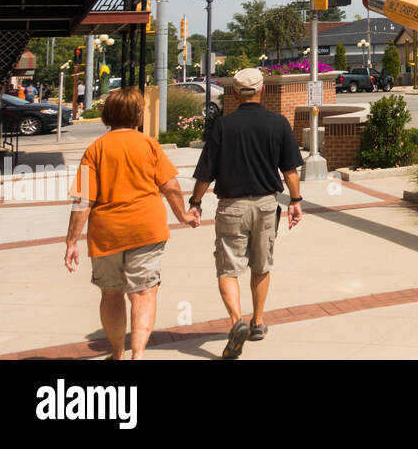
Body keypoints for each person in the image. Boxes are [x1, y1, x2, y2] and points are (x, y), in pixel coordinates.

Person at [64, 88, 194, 359]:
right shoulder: (148, 145)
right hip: (146, 229)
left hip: (106, 233)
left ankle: (117, 352)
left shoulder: (95, 150)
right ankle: (138, 354)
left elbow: (83, 201)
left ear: (106, 116)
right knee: (144, 293)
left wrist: (71, 241)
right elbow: (170, 186)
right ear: (137, 115)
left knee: (111, 294)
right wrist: (183, 216)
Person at [187, 67, 304, 359]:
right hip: (266, 205)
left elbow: (206, 173)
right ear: (262, 90)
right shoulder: (278, 123)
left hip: (231, 207)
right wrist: (296, 201)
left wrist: (196, 202)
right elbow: (289, 170)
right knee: (261, 265)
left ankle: (236, 320)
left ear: (236, 93)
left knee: (228, 269)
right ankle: (258, 322)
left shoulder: (223, 126)